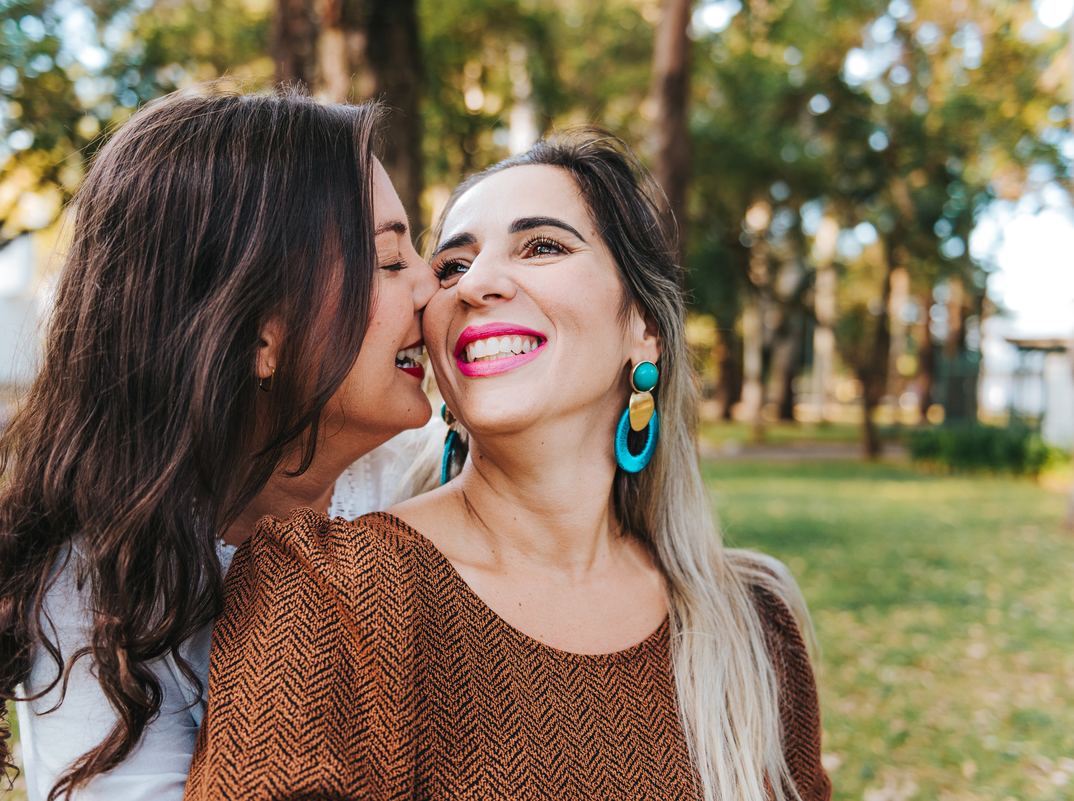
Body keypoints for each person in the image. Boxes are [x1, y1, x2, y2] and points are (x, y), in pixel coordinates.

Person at [187, 129, 831, 801]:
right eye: (453, 266)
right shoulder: (323, 586)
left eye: (543, 245)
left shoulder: (753, 623)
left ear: (644, 324)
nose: (477, 285)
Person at [0, 86, 440, 800]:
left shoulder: (418, 476)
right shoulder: (99, 585)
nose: (433, 284)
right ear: (258, 330)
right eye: (389, 261)